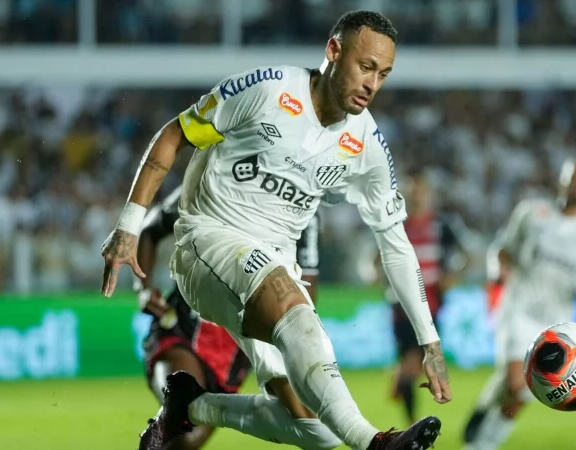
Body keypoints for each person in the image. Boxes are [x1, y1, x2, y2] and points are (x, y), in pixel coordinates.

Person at [99, 10, 451, 450]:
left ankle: (191, 407)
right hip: (207, 240)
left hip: (273, 261)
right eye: (365, 67)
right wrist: (129, 227)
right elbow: (173, 134)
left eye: (383, 74)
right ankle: (376, 444)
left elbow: (395, 243)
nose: (372, 85)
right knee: (286, 295)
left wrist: (429, 341)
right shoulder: (266, 89)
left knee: (317, 426)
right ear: (333, 51)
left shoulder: (366, 145)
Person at [136, 185, 322, 450]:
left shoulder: (306, 207)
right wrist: (142, 289)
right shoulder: (216, 176)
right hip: (183, 327)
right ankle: (174, 412)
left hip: (237, 348)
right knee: (183, 414)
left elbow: (308, 289)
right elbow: (151, 228)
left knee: (187, 441)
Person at [463, 157, 576, 450]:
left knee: (523, 388)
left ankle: (484, 417)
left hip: (559, 323)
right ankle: (481, 444)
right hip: (518, 306)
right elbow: (503, 249)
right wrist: (499, 272)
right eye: (573, 175)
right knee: (516, 383)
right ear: (562, 180)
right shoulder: (533, 212)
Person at [383, 171, 466, 425]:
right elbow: (376, 258)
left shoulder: (442, 224)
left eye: (421, 190)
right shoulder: (395, 223)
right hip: (402, 305)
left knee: (416, 363)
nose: (417, 195)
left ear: (428, 194)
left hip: (432, 304)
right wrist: (378, 274)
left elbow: (463, 256)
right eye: (413, 190)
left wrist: (451, 277)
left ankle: (401, 381)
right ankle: (410, 423)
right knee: (414, 362)